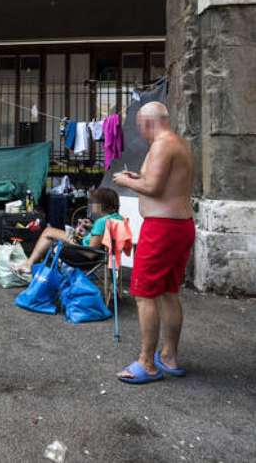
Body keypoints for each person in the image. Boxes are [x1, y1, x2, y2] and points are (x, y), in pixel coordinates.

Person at [113, 101, 195, 385]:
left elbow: (153, 188)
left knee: (144, 293)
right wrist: (141, 177)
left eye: (138, 126)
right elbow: (163, 183)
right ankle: (169, 356)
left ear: (146, 123)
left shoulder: (161, 144)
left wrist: (125, 179)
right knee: (169, 292)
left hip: (162, 229)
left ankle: (146, 363)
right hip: (180, 225)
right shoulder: (179, 143)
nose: (140, 132)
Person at [14, 187, 123, 274]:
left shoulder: (101, 222)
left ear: (100, 205)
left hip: (85, 255)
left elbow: (91, 253)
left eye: (93, 203)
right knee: (51, 234)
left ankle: (29, 264)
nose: (91, 206)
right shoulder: (116, 218)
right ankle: (30, 264)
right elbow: (102, 237)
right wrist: (91, 227)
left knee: (48, 232)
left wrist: (73, 240)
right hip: (105, 255)